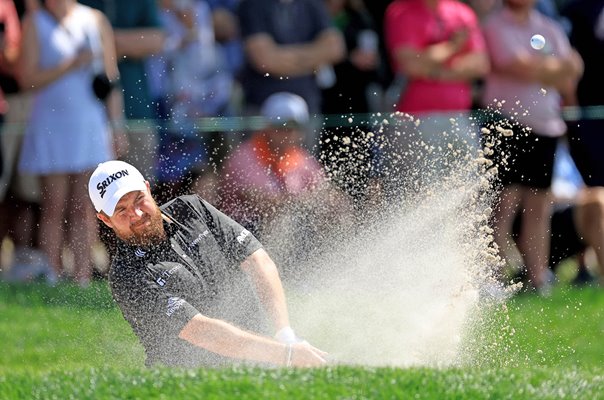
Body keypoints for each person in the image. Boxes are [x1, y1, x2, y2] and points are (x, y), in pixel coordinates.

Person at [87, 159, 328, 367]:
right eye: (122, 210)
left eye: (139, 200)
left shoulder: (192, 208)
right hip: (191, 378)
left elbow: (257, 260)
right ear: (105, 219)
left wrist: (285, 335)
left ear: (148, 189)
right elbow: (200, 331)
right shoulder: (127, 276)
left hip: (261, 354)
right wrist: (285, 355)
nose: (137, 215)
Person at [17, 0, 125, 285]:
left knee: (85, 207)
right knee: (53, 204)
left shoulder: (95, 19)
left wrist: (117, 127)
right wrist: (68, 66)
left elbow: (111, 79)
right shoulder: (35, 22)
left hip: (89, 123)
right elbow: (26, 78)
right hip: (51, 125)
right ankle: (52, 274)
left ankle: (82, 276)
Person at [481, 0, 583, 293]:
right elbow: (519, 66)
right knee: (504, 206)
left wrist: (552, 69)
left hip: (546, 126)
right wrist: (556, 68)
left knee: (539, 207)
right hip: (507, 125)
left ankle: (537, 279)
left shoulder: (548, 26)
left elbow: (573, 71)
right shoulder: (495, 25)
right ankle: (494, 278)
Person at [237, 0, 345, 150]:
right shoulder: (253, 5)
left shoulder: (312, 4)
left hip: (308, 107)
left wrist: (282, 57)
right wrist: (314, 60)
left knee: (303, 170)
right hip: (261, 108)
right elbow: (264, 60)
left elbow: (335, 49)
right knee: (259, 170)